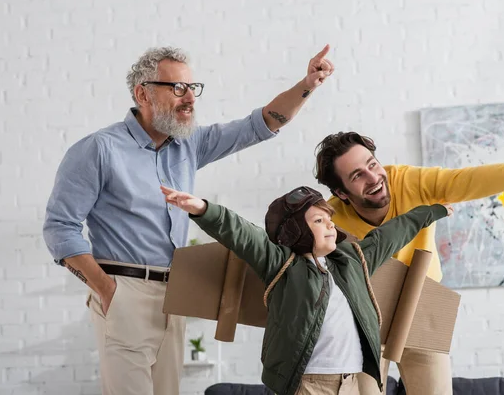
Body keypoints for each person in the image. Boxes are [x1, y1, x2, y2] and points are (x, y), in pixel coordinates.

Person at [42, 45, 335, 395]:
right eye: (177, 88)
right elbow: (60, 229)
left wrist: (307, 85)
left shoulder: (189, 145)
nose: (190, 99)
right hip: (124, 291)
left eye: (192, 89)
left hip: (175, 295)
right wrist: (107, 291)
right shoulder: (98, 149)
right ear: (143, 93)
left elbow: (260, 124)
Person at [313, 124, 504, 395]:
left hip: (422, 301)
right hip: (363, 314)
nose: (373, 178)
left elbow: (464, 181)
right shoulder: (329, 221)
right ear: (342, 193)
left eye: (373, 164)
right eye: (358, 175)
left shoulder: (409, 181)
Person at [160, 184, 453, 395]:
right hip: (308, 386)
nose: (329, 225)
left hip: (353, 383)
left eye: (329, 218)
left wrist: (433, 211)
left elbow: (393, 232)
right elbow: (242, 234)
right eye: (318, 220)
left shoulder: (353, 259)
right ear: (295, 232)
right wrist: (202, 209)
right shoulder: (282, 266)